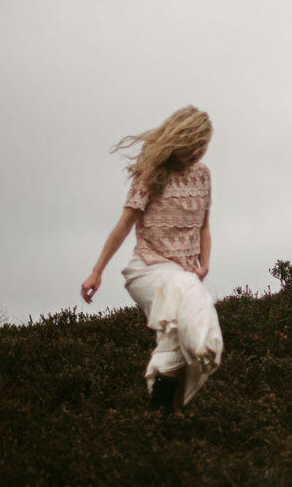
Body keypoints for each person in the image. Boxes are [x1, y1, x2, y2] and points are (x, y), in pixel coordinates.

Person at [81, 105, 223, 417]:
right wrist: (96, 271)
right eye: (193, 144)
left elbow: (204, 226)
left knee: (173, 342)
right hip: (147, 268)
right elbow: (123, 226)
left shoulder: (203, 176)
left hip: (184, 274)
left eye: (204, 145)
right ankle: (208, 348)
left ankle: (161, 417)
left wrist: (205, 264)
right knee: (190, 299)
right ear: (179, 141)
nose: (199, 151)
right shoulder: (152, 174)